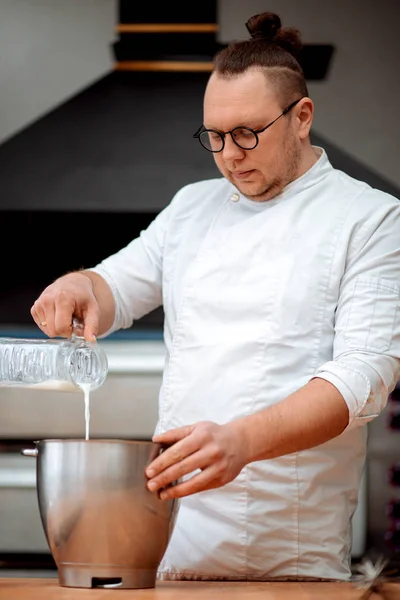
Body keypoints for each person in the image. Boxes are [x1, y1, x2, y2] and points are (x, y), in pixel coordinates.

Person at [31, 11, 400, 582]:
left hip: (292, 556)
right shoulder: (191, 207)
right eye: (215, 136)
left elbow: (363, 376)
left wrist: (243, 440)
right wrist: (78, 287)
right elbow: (114, 288)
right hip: (172, 547)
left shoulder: (370, 218)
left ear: (302, 117)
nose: (230, 154)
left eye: (248, 133)